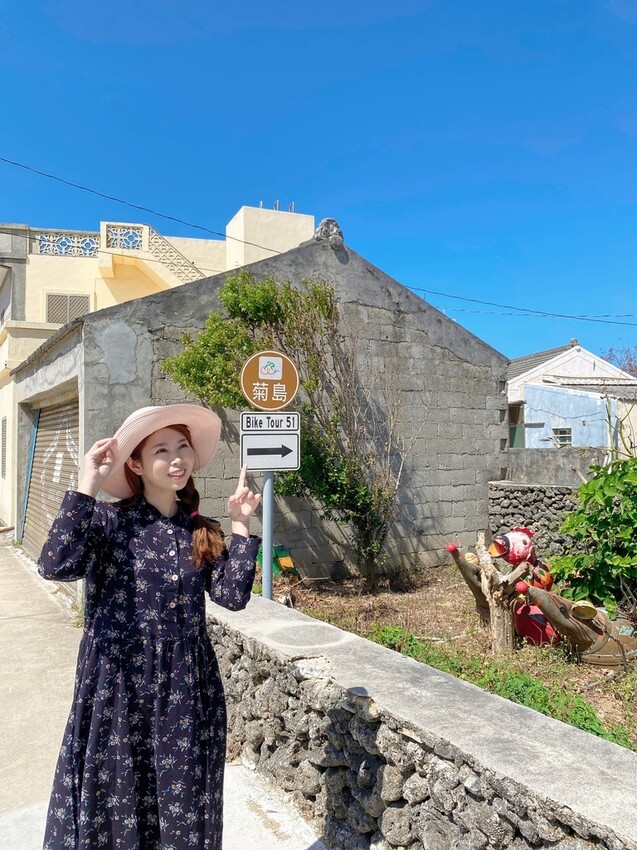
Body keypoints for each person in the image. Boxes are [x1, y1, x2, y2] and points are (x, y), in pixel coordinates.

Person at [37, 404, 261, 850]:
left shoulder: (200, 530)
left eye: (183, 447)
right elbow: (55, 564)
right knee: (114, 794)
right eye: (161, 450)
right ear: (136, 464)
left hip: (185, 688)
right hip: (117, 682)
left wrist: (240, 526)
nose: (177, 459)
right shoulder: (108, 522)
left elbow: (232, 597)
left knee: (182, 799)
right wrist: (88, 483)